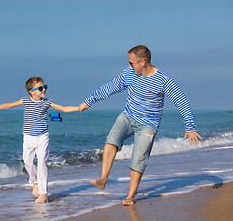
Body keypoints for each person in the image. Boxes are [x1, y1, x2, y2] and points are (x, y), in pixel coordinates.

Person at [78, 45, 202, 206]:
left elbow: (181, 100)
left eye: (132, 63)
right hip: (128, 116)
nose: (129, 66)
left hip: (148, 125)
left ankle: (130, 196)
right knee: (111, 140)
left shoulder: (164, 80)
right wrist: (89, 101)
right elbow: (110, 87)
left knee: (139, 159)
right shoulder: (129, 73)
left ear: (143, 62)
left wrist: (190, 126)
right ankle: (103, 179)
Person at [0, 77, 79, 204]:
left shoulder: (47, 102)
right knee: (27, 161)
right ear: (31, 91)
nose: (44, 89)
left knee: (42, 163)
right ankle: (35, 182)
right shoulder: (25, 101)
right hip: (28, 137)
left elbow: (63, 108)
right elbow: (10, 105)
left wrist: (78, 108)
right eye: (40, 88)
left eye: (45, 87)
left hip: (42, 137)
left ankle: (43, 193)